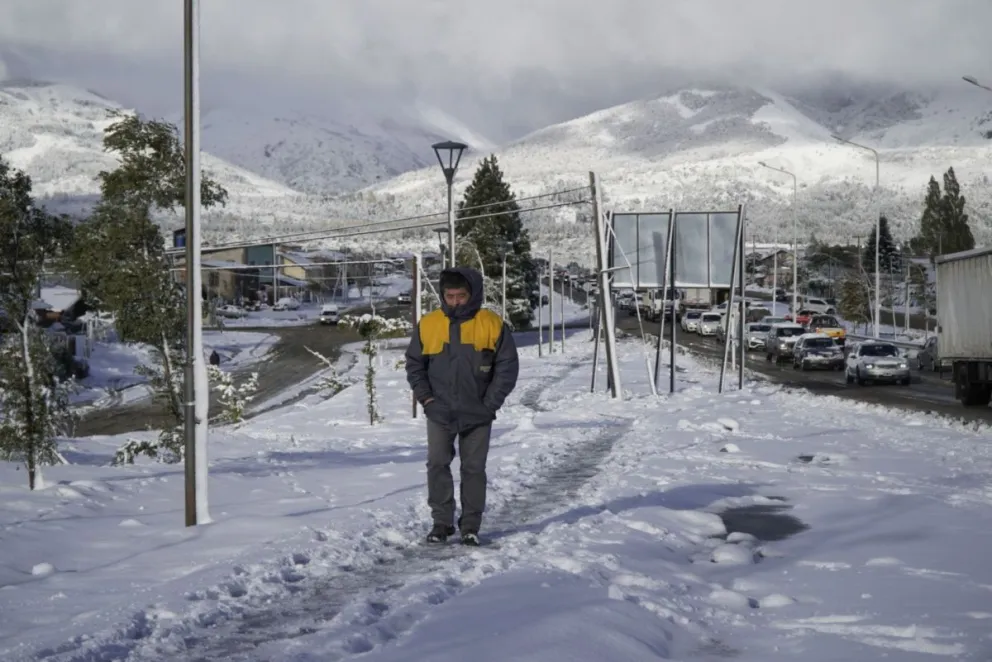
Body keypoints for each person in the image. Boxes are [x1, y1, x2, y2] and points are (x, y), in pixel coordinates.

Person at [405, 266, 519, 546]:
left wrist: (489, 404)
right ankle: (441, 523)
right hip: (439, 411)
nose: (455, 301)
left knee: (473, 469)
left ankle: (470, 525)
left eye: (461, 296)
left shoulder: (491, 323)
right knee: (437, 464)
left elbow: (507, 368)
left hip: (478, 413)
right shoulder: (429, 324)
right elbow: (415, 365)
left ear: (473, 294)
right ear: (443, 295)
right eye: (450, 296)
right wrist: (427, 400)